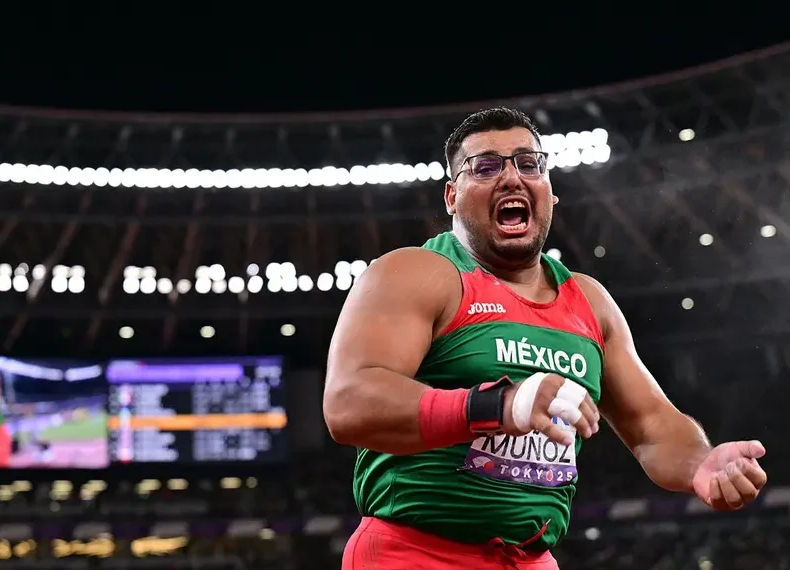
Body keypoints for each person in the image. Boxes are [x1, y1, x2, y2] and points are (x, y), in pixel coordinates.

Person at [323, 107, 768, 570]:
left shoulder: (589, 301)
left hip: (532, 560)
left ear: (550, 193)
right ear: (452, 196)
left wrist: (700, 463)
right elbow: (349, 402)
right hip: (415, 553)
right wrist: (499, 406)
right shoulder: (416, 273)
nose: (512, 178)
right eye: (487, 166)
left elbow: (652, 426)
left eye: (528, 163)